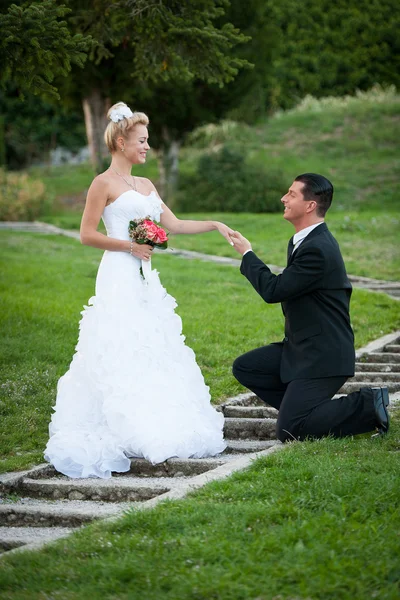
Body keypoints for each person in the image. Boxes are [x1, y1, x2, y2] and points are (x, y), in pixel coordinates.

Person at [44, 102, 231, 478]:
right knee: (121, 341)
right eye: (142, 140)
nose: (147, 147)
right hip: (117, 272)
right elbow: (87, 234)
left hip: (146, 276)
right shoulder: (103, 183)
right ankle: (117, 423)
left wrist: (215, 224)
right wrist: (130, 246)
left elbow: (173, 224)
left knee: (152, 343)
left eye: (148, 141)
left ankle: (154, 418)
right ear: (121, 142)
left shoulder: (145, 185)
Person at [229, 173, 390, 442]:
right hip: (302, 349)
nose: (283, 198)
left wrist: (247, 254)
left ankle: (367, 404)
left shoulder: (318, 248)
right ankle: (306, 412)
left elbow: (274, 291)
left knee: (291, 431)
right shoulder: (302, 240)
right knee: (247, 367)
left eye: (291, 194)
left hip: (323, 356)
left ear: (310, 205)